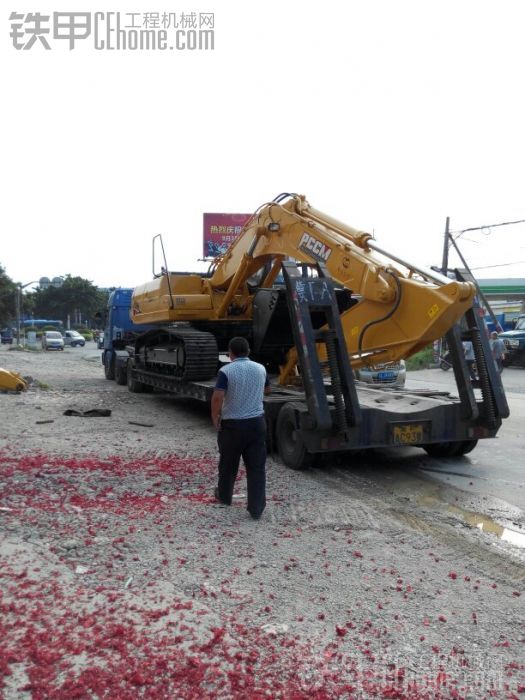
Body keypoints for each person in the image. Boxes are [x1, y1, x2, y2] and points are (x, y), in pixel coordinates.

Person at [211, 337, 271, 520]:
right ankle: (256, 508)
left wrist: (215, 418)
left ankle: (225, 496)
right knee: (256, 467)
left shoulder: (226, 371)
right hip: (256, 424)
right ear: (248, 351)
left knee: (228, 464)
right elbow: (268, 389)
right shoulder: (261, 368)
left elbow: (217, 397)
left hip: (233, 426)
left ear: (230, 353)